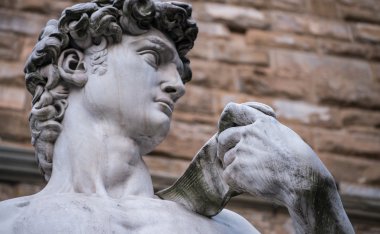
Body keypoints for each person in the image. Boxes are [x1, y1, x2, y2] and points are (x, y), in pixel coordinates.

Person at [0, 0, 354, 233]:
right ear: (75, 65)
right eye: (154, 57)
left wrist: (313, 194)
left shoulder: (229, 230)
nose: (176, 86)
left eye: (179, 72)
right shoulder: (10, 223)